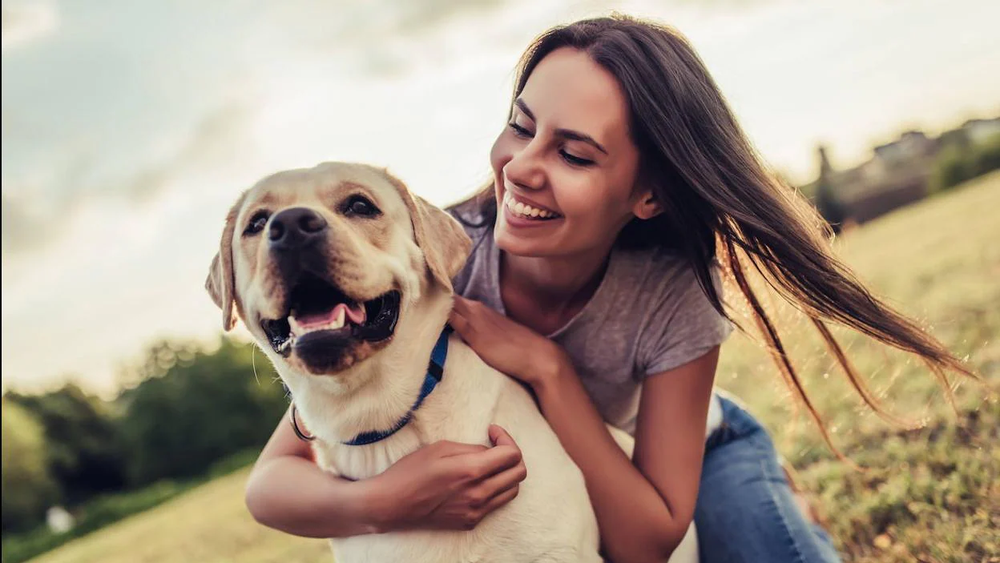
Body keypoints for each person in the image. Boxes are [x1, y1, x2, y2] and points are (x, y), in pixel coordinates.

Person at [243, 15, 971, 563]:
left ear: (647, 194)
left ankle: (776, 490)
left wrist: (547, 368)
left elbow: (646, 537)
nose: (522, 167)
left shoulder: (673, 292)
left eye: (573, 152)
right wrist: (382, 500)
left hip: (691, 455)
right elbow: (274, 477)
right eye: (520, 127)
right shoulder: (433, 260)